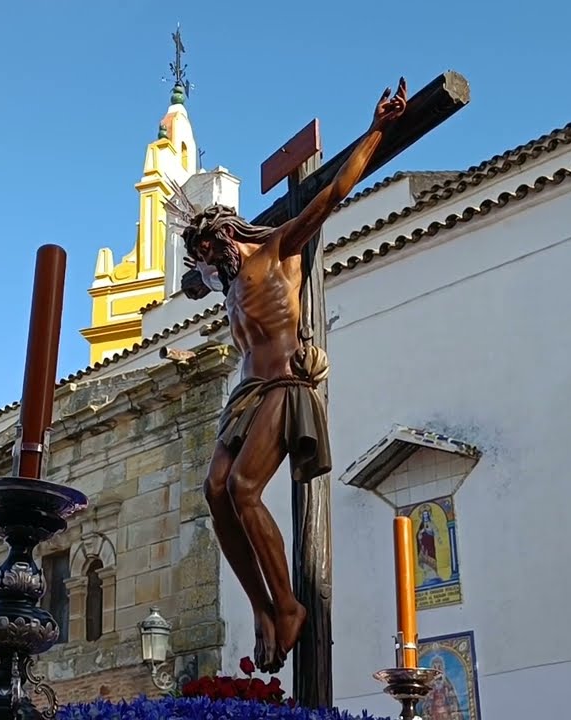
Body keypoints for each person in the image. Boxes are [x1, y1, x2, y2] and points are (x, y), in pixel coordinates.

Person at [179, 78, 411, 672]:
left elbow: (330, 193)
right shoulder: (225, 285)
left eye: (209, 245)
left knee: (243, 490)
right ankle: (262, 606)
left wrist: (377, 129)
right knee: (214, 492)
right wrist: (198, 276)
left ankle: (288, 606)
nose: (208, 259)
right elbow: (193, 283)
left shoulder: (276, 248)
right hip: (245, 396)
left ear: (228, 232)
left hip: (285, 383)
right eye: (201, 255)